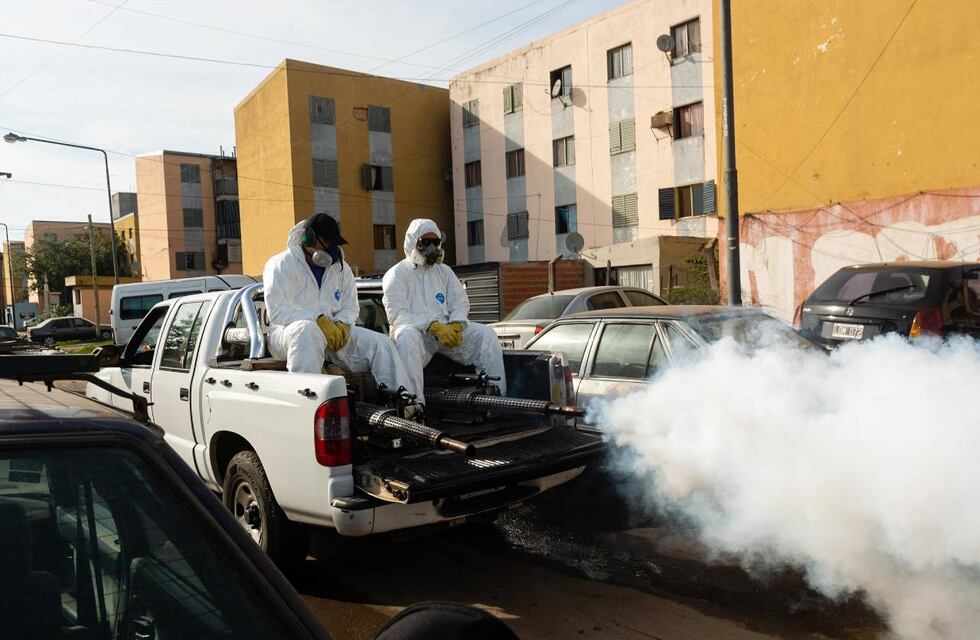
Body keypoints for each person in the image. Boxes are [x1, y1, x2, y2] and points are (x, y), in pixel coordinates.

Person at [263, 213, 416, 396]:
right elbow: (277, 311)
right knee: (306, 331)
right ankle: (307, 402)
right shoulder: (280, 264)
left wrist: (343, 323)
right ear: (308, 238)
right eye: (327, 243)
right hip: (286, 335)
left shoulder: (340, 268)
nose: (332, 249)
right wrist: (316, 319)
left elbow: (351, 306)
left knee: (381, 344)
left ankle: (405, 403)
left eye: (334, 244)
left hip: (333, 334)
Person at [382, 219, 506, 404]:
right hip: (418, 335)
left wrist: (456, 323)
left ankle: (495, 400)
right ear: (412, 242)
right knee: (405, 338)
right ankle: (413, 407)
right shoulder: (397, 274)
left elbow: (460, 301)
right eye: (425, 242)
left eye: (435, 242)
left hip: (447, 333)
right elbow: (397, 314)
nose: (431, 247)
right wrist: (432, 326)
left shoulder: (444, 272)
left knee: (486, 335)